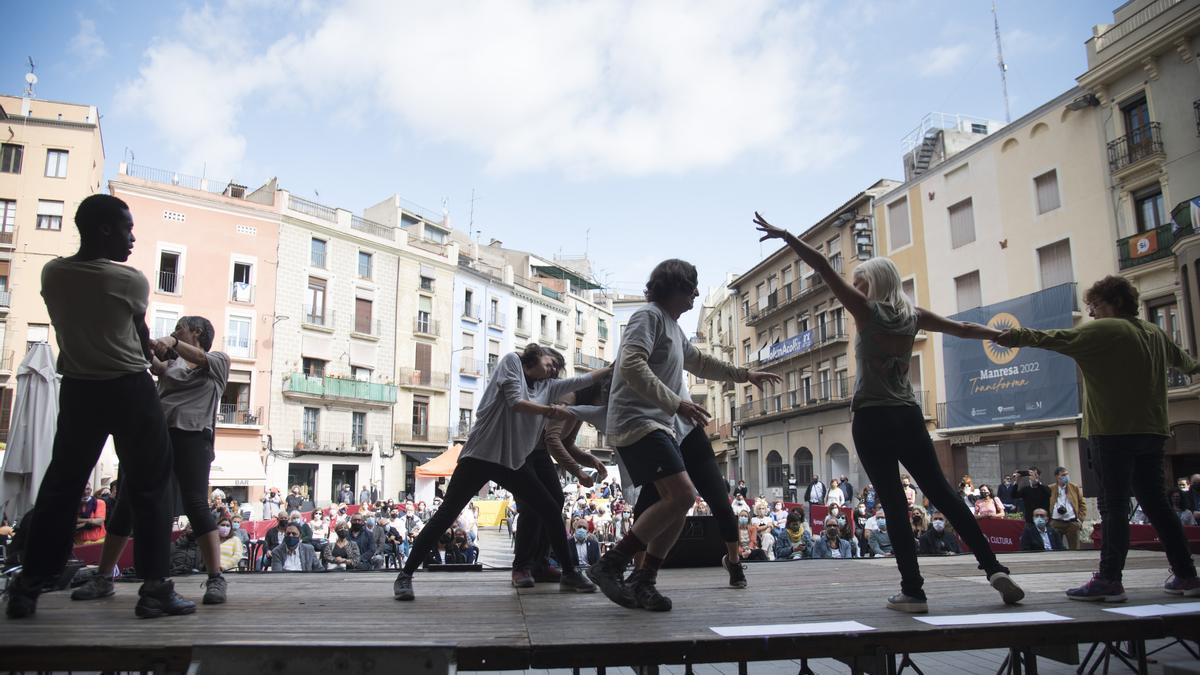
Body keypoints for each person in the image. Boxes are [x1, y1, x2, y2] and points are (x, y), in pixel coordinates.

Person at [755, 213, 1024, 613]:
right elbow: (964, 327)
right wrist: (998, 334)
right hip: (908, 415)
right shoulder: (912, 316)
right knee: (944, 495)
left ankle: (913, 592)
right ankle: (994, 568)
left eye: (861, 282)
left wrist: (787, 235)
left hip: (872, 417)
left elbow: (823, 266)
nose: (856, 287)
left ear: (873, 284)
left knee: (894, 504)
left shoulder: (868, 312)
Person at [7, 195, 190, 621]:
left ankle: (27, 587)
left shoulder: (53, 274)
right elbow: (140, 339)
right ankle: (155, 590)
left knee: (61, 488)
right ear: (106, 229)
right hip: (129, 389)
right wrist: (161, 352)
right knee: (151, 487)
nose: (132, 237)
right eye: (127, 228)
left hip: (78, 390)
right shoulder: (130, 281)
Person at [587, 259, 780, 612]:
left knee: (679, 501)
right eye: (691, 286)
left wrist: (744, 374)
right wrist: (677, 403)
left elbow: (703, 363)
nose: (694, 293)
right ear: (673, 287)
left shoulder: (673, 328)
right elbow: (630, 365)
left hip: (656, 424)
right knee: (682, 495)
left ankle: (644, 580)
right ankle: (612, 563)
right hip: (637, 422)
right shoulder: (648, 317)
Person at [996, 275, 1200, 599]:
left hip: (1113, 430)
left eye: (1095, 305)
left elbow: (1057, 337)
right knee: (1158, 505)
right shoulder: (1155, 332)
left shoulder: (1107, 329)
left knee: (1113, 506)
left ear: (1114, 303)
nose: (1091, 313)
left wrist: (1014, 336)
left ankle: (1109, 580)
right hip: (1153, 429)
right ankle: (1187, 575)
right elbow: (1188, 363)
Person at [393, 344, 601, 601]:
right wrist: (549, 410)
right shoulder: (512, 361)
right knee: (446, 514)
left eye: (557, 368)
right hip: (479, 456)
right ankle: (405, 575)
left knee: (549, 507)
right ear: (535, 355)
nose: (554, 368)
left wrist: (609, 370)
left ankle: (569, 573)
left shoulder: (547, 388)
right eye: (551, 361)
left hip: (511, 461)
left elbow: (580, 380)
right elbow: (515, 402)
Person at [512, 372, 610, 588]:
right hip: (523, 451)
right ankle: (521, 567)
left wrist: (590, 460)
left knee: (555, 501)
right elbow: (552, 439)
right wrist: (578, 471)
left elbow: (567, 443)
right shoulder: (569, 398)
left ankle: (540, 564)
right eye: (606, 398)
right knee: (531, 508)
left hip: (538, 453)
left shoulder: (579, 409)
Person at [1049, 467, 1086, 551]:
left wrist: (1080, 520)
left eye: (1067, 474)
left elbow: (1082, 504)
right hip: (1056, 522)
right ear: (1057, 477)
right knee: (1056, 548)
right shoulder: (1051, 488)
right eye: (1063, 475)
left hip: (1072, 522)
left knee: (1075, 548)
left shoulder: (1074, 487)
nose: (1066, 476)